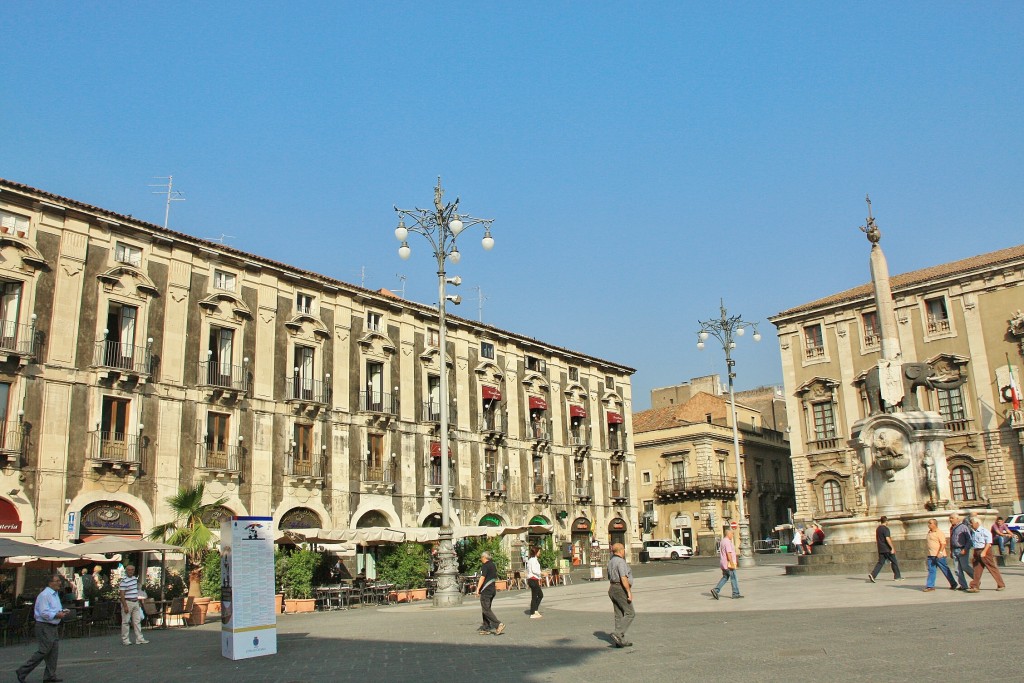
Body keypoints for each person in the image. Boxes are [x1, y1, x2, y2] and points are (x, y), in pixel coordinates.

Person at [16, 573, 71, 683]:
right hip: (44, 626)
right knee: (44, 651)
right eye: (57, 581)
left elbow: (52, 609)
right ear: (50, 583)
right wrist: (56, 615)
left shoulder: (54, 594)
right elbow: (43, 612)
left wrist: (61, 612)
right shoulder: (45, 595)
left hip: (53, 625)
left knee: (53, 652)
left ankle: (50, 676)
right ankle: (23, 670)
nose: (59, 583)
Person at [606, 542, 634, 648]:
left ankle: (619, 641)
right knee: (630, 613)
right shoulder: (621, 562)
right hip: (619, 588)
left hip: (612, 588)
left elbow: (609, 576)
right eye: (623, 549)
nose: (624, 551)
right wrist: (628, 592)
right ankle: (617, 634)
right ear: (621, 550)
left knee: (618, 615)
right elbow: (623, 577)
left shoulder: (610, 561)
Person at [967, 515, 1005, 592]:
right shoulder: (973, 532)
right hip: (977, 551)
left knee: (992, 568)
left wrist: (984, 552)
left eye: (972, 523)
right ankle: (975, 586)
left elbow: (988, 542)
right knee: (977, 569)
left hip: (985, 551)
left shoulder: (984, 531)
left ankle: (1001, 584)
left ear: (977, 523)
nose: (970, 524)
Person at [923, 518, 958, 591]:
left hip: (939, 555)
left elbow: (943, 543)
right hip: (931, 555)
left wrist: (940, 552)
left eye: (930, 523)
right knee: (931, 570)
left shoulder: (939, 532)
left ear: (934, 524)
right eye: (928, 523)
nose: (928, 524)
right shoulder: (929, 532)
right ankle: (930, 586)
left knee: (945, 569)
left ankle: (953, 583)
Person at [474, 551, 504, 635]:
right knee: (486, 608)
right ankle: (486, 627)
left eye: (481, 558)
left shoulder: (485, 565)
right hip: (492, 589)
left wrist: (477, 589)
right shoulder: (493, 565)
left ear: (484, 557)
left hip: (486, 590)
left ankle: (498, 624)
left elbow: (482, 578)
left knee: (486, 609)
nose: (480, 559)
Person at [119, 565, 148, 646]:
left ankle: (139, 639)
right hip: (128, 602)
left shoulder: (134, 579)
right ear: (126, 571)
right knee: (126, 621)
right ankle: (125, 640)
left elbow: (135, 591)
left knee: (137, 621)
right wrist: (124, 605)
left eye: (132, 570)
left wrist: (138, 601)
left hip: (135, 601)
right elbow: (122, 594)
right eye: (129, 570)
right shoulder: (124, 581)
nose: (131, 571)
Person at [710, 528, 743, 600]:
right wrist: (732, 563)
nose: (733, 535)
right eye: (732, 534)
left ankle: (716, 590)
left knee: (725, 577)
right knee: (733, 578)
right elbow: (728, 553)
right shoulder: (727, 542)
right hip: (728, 564)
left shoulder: (723, 541)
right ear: (729, 534)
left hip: (723, 563)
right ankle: (735, 593)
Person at [868, 516, 902, 582]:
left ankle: (873, 574)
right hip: (887, 548)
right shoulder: (885, 529)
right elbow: (887, 538)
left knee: (880, 563)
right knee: (894, 561)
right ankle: (897, 576)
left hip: (880, 548)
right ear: (886, 521)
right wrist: (892, 548)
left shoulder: (878, 529)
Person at [948, 513, 973, 591]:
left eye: (952, 518)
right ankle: (963, 585)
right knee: (957, 569)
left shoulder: (963, 527)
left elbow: (969, 540)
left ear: (957, 519)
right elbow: (952, 540)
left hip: (962, 549)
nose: (950, 519)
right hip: (955, 550)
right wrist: (951, 550)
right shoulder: (952, 528)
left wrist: (965, 549)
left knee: (965, 566)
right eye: (950, 518)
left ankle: (976, 579)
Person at [525, 546, 544, 618]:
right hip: (533, 579)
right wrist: (542, 573)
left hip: (534, 579)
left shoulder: (533, 560)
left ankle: (535, 610)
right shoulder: (533, 560)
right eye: (539, 551)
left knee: (539, 595)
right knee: (535, 596)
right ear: (536, 552)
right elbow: (534, 570)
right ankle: (533, 612)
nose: (540, 552)